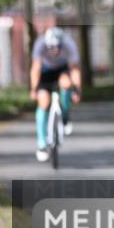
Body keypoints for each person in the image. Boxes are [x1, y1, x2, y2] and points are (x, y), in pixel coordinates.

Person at [29, 27, 82, 162]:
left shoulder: (69, 45)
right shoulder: (40, 45)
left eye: (57, 47)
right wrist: (34, 89)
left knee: (66, 84)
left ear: (61, 44)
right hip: (45, 71)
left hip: (62, 69)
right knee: (44, 102)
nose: (54, 51)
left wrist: (77, 89)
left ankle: (65, 115)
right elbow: (35, 68)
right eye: (50, 48)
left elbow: (74, 69)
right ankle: (42, 144)